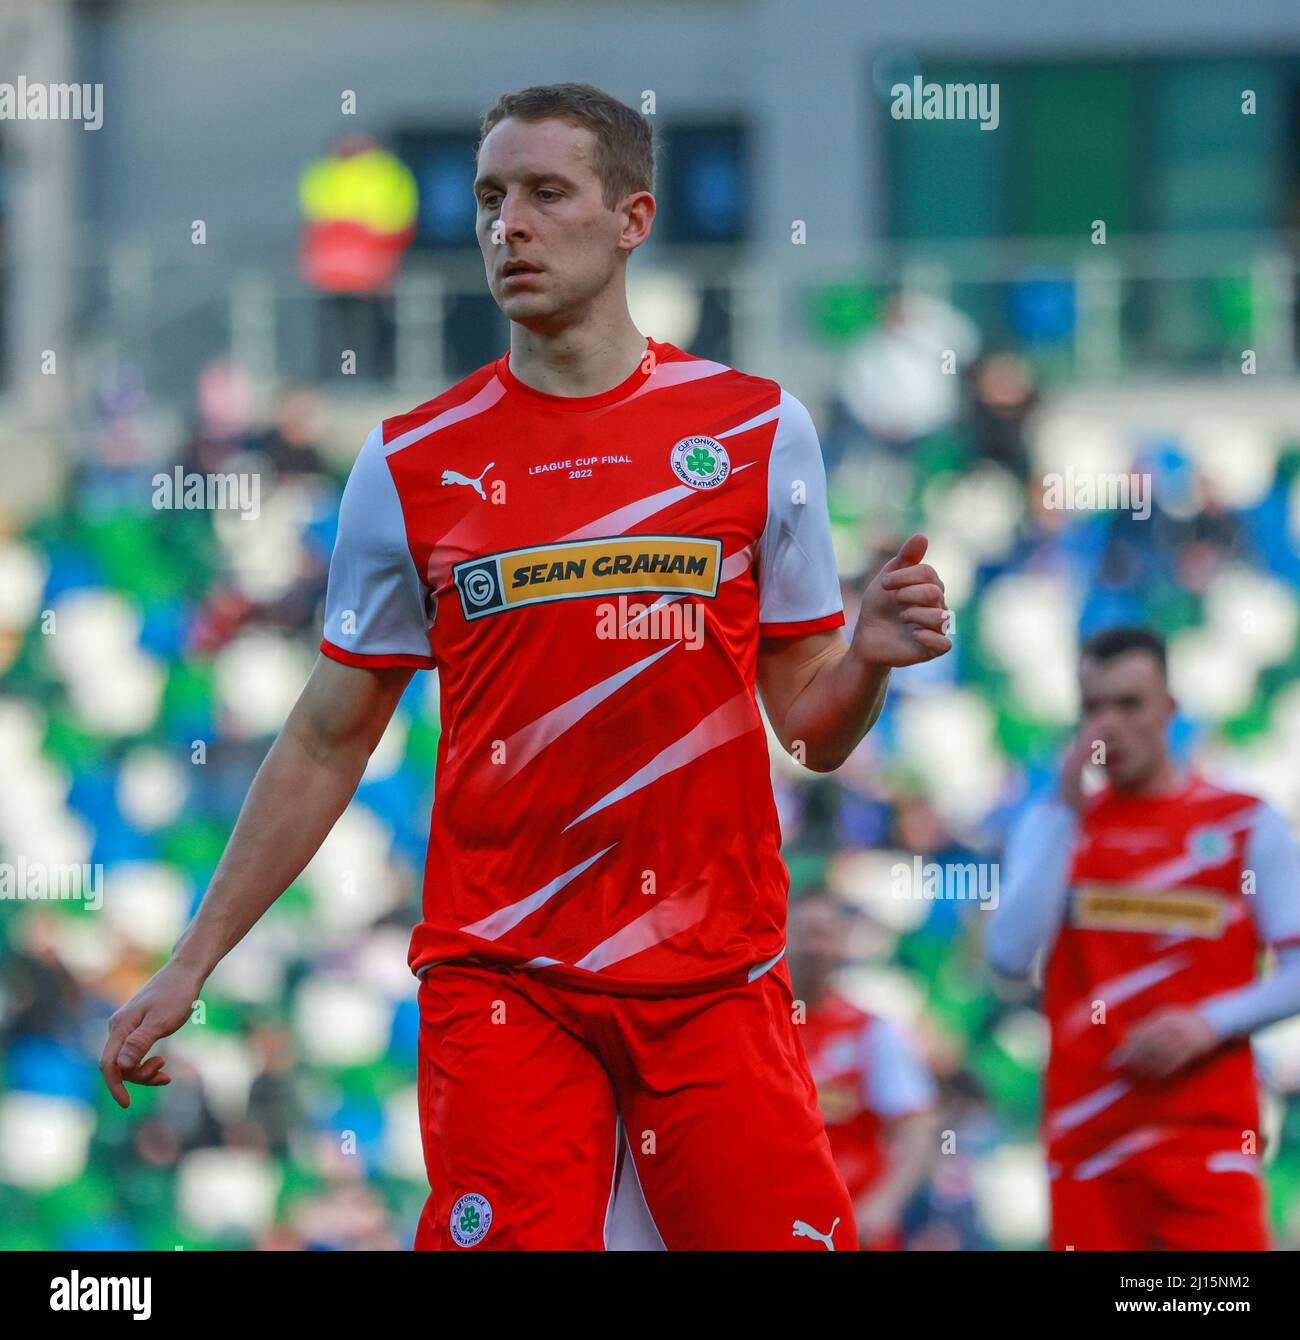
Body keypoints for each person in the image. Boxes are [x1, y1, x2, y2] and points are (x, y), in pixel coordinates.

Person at [99, 82, 952, 1251]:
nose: (511, 224)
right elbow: (323, 734)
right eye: (492, 197)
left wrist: (866, 662)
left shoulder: (759, 432)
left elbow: (807, 728)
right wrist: (191, 959)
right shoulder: (409, 461)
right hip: (504, 980)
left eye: (549, 193)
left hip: (712, 973)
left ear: (632, 218)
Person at [987, 625, 1300, 1250]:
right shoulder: (1054, 826)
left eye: (1128, 704)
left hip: (1206, 1134)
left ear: (1170, 710)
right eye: (1092, 708)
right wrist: (1064, 815)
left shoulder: (1244, 823)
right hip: (1089, 1136)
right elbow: (1008, 957)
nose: (1108, 727)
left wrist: (1210, 1022)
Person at [788, 889, 939, 1249]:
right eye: (804, 932)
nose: (814, 947)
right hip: (773, 1221)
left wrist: (885, 1203)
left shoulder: (872, 1031)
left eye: (825, 934)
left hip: (853, 1226)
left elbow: (918, 1126)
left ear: (841, 944)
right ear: (780, 936)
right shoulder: (755, 1028)